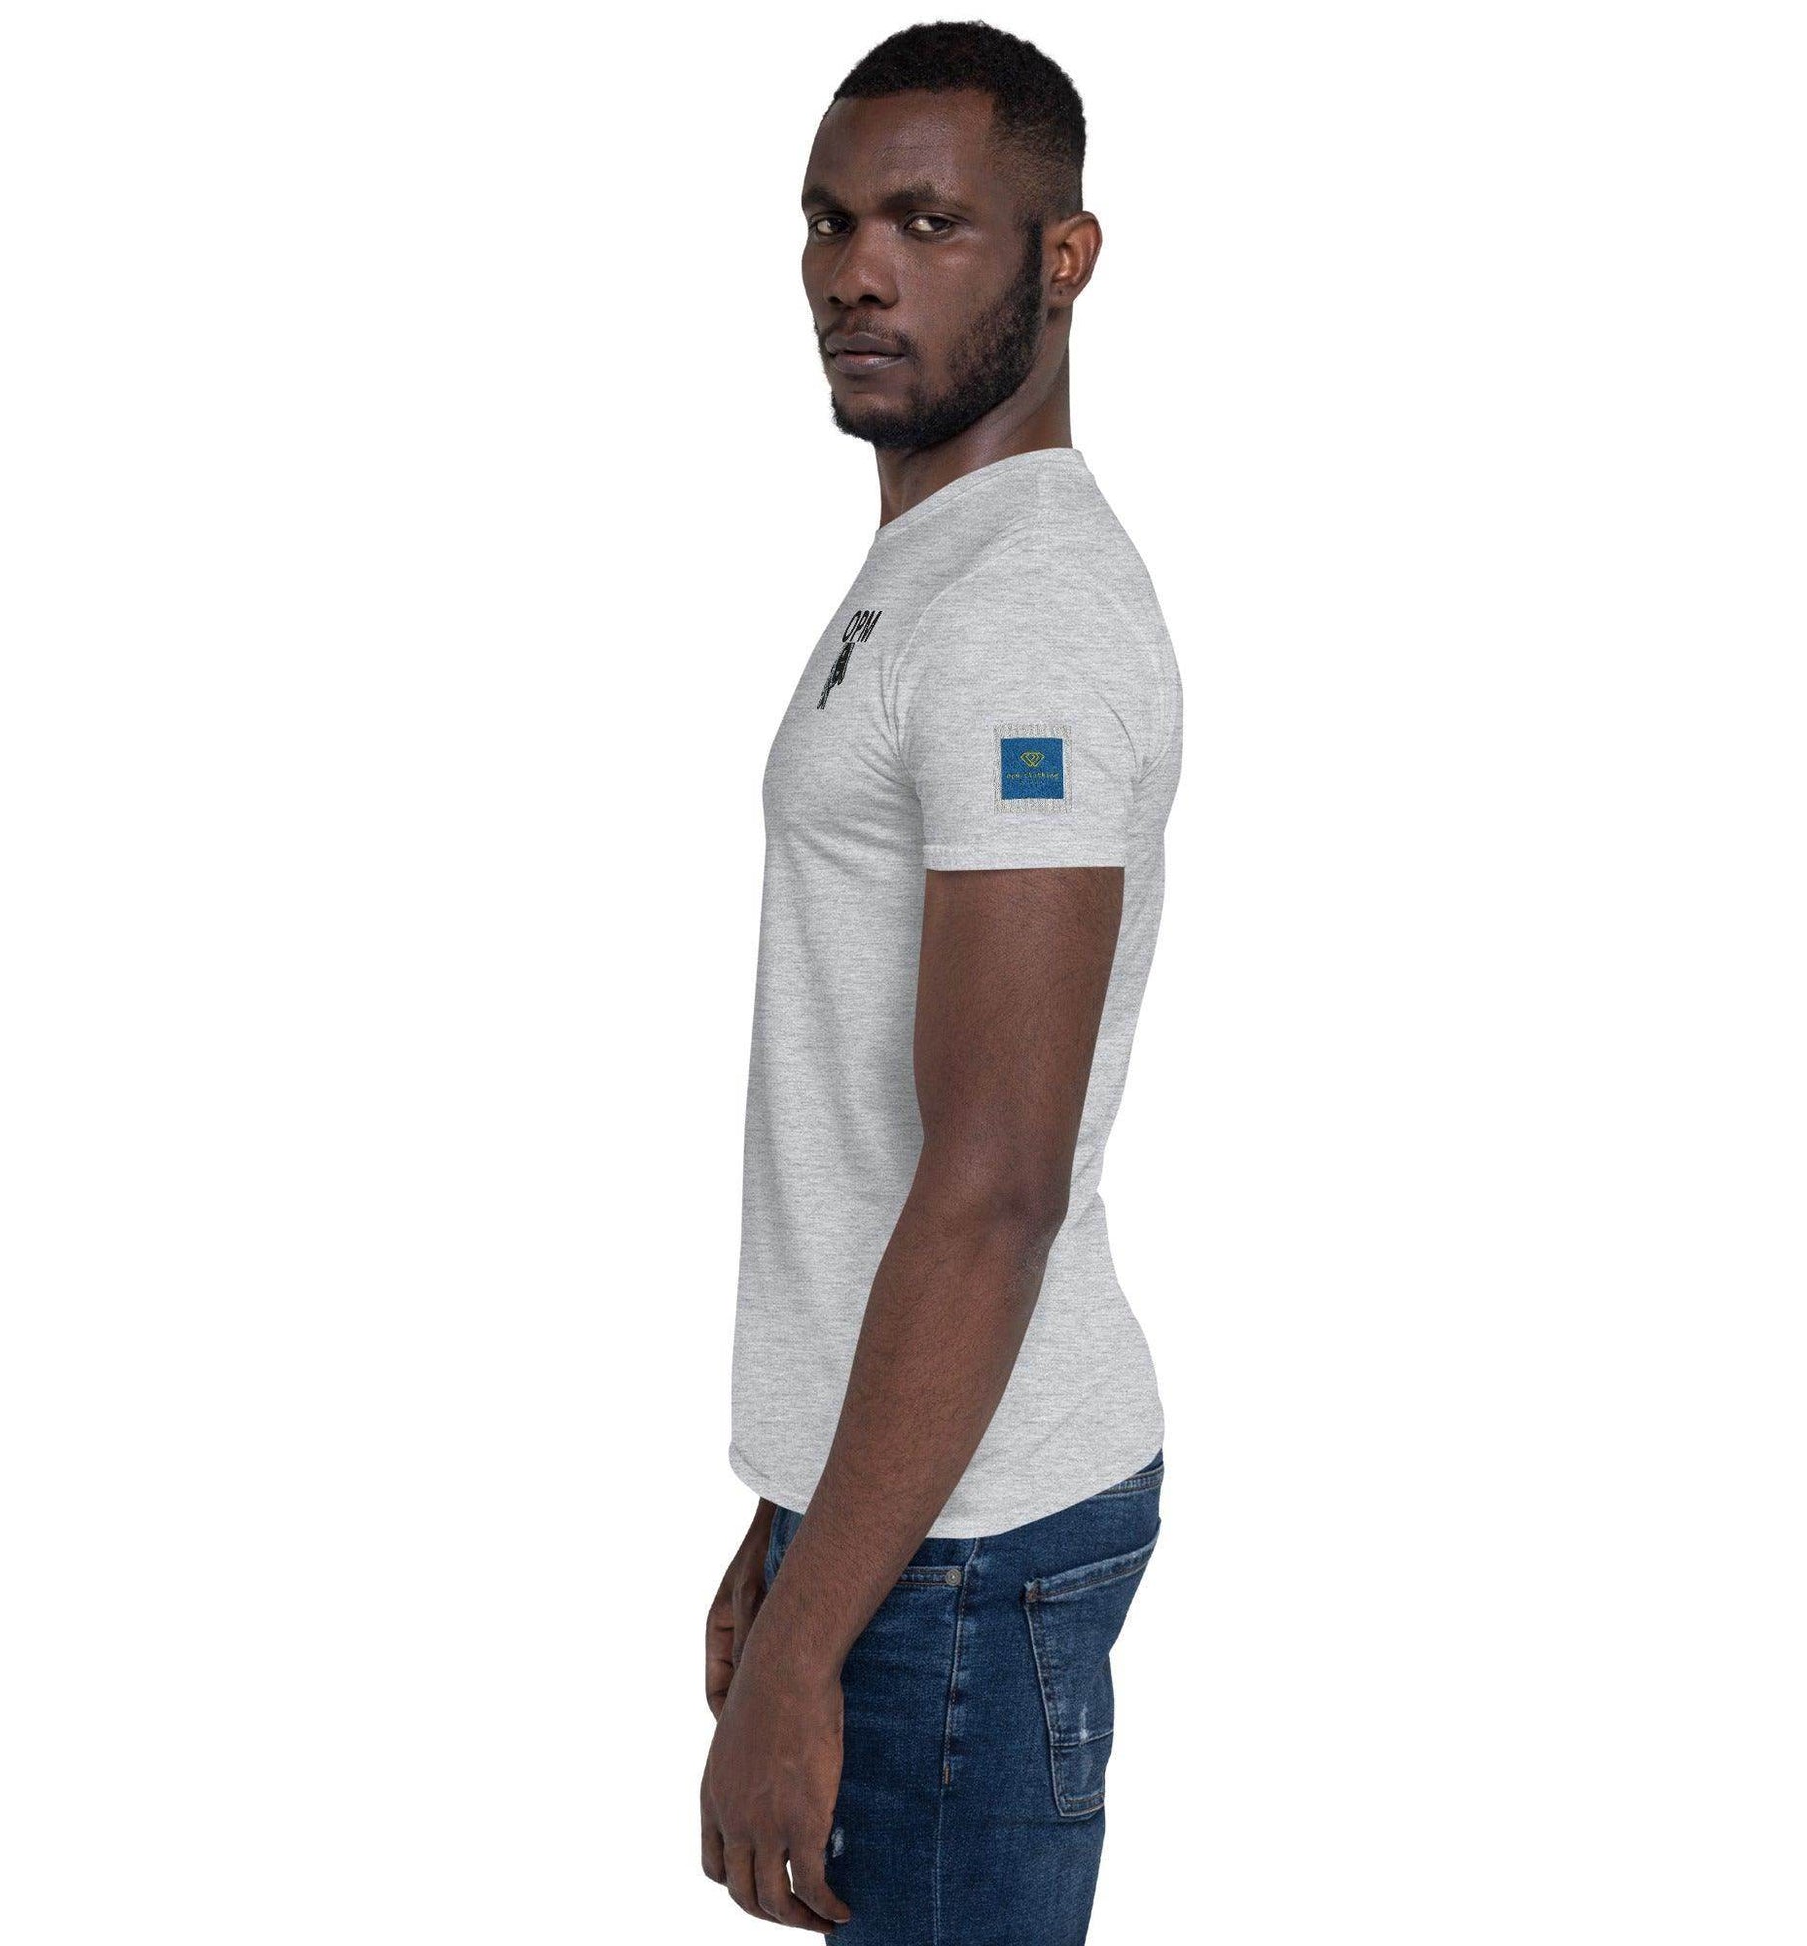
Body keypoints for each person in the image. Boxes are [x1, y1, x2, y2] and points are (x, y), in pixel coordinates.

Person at [700, 23, 1184, 1941]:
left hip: (967, 1553)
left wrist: (807, 1643)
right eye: (828, 222)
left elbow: (992, 1183)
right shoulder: (941, 562)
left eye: (926, 223)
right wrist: (791, 1512)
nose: (855, 273)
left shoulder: (1023, 617)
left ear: (1064, 259)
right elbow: (869, 1133)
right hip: (904, 1508)